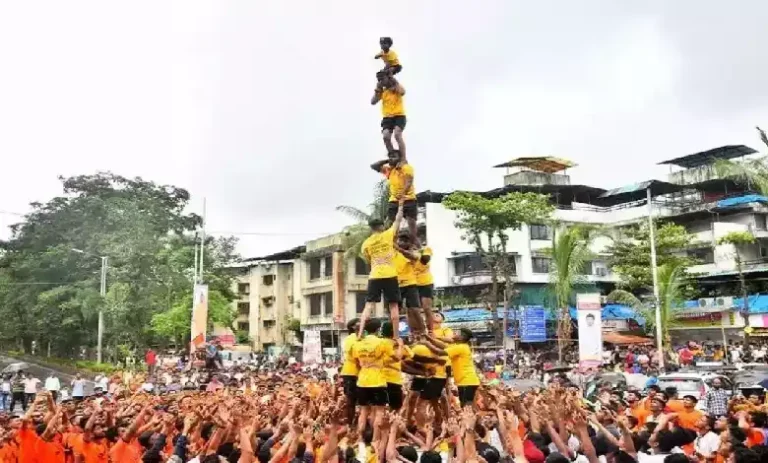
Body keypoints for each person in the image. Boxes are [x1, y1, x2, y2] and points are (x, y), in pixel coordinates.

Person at [360, 201, 404, 337]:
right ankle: (396, 336)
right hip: (390, 274)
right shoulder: (388, 234)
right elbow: (398, 219)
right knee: (393, 306)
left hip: (375, 275)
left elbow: (368, 261)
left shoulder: (366, 244)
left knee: (369, 305)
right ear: (381, 226)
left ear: (371, 228)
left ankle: (360, 333)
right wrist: (401, 206)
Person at [351, 318, 393, 433]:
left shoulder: (358, 343)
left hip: (362, 380)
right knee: (379, 411)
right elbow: (393, 357)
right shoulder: (381, 342)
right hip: (378, 381)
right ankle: (375, 438)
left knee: (363, 411)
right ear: (378, 330)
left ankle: (360, 438)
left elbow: (356, 361)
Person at [423, 328, 481, 407]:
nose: (454, 334)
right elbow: (443, 346)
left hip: (467, 382)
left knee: (467, 408)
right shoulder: (461, 346)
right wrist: (430, 338)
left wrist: (426, 343)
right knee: (467, 407)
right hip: (467, 381)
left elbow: (440, 352)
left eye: (456, 333)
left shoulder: (461, 347)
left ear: (461, 337)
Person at [370, 150, 417, 242]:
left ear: (400, 158)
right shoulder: (389, 170)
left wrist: (402, 194)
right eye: (390, 156)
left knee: (412, 224)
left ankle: (413, 244)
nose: (392, 158)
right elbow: (374, 166)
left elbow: (409, 182)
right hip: (394, 201)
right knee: (392, 224)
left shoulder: (407, 167)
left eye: (394, 156)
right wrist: (388, 161)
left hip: (409, 200)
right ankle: (392, 242)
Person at [394, 230, 425, 335]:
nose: (402, 243)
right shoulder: (393, 252)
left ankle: (423, 332)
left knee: (415, 310)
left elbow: (414, 257)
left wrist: (400, 249)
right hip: (395, 284)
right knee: (395, 311)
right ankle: (396, 334)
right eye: (400, 240)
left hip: (410, 284)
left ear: (409, 243)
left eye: (405, 241)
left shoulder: (413, 251)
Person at [371, 72, 406, 158]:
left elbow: (403, 92)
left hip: (399, 115)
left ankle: (403, 158)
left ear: (387, 78)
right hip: (387, 117)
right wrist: (377, 89)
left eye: (382, 79)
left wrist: (394, 81)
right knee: (386, 136)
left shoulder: (395, 87)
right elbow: (373, 102)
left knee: (397, 134)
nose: (381, 81)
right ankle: (393, 154)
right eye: (379, 80)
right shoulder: (383, 91)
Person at [340, 318, 361, 425]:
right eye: (360, 322)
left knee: (354, 401)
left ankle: (354, 423)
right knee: (351, 401)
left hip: (353, 373)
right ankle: (351, 424)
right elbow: (356, 357)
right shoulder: (351, 338)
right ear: (353, 327)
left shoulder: (360, 337)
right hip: (352, 372)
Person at [413, 237, 435, 333]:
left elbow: (425, 259)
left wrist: (418, 251)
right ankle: (417, 331)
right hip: (411, 283)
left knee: (426, 308)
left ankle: (431, 331)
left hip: (426, 283)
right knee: (413, 310)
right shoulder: (405, 252)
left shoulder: (426, 250)